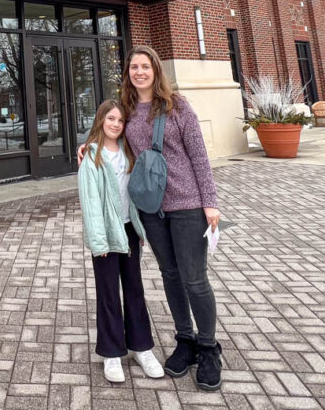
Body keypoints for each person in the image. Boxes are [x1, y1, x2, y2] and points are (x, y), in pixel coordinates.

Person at [80, 45, 224, 391]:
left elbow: (199, 156)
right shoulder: (128, 110)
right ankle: (185, 341)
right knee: (170, 275)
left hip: (187, 204)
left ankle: (208, 347)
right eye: (134, 67)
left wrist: (210, 202)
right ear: (128, 73)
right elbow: (112, 138)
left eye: (145, 66)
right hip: (151, 210)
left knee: (194, 278)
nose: (139, 72)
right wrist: (88, 147)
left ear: (155, 70)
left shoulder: (177, 106)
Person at [77, 99, 165, 383]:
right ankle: (112, 352)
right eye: (110, 119)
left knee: (135, 289)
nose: (115, 124)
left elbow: (135, 196)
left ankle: (141, 347)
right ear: (100, 120)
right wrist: (98, 242)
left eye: (120, 120)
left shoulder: (129, 153)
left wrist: (139, 230)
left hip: (128, 231)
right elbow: (90, 203)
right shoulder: (92, 157)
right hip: (105, 234)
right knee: (108, 293)